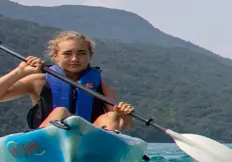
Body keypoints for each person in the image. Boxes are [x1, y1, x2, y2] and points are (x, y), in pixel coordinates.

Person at [0, 31, 135, 132]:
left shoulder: (102, 87)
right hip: (47, 140)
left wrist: (125, 116)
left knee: (111, 116)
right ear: (55, 56)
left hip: (89, 140)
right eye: (67, 53)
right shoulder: (38, 81)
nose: (75, 58)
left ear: (90, 56)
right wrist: (19, 72)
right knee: (60, 112)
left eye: (82, 53)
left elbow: (125, 125)